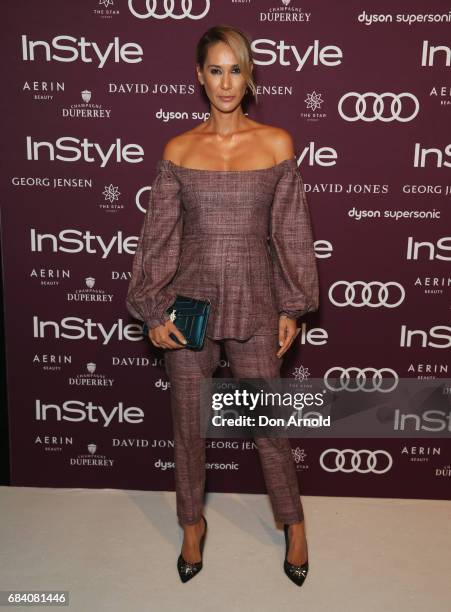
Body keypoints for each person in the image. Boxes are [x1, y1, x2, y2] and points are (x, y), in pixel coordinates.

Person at [126, 25, 319, 586]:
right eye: (215, 69)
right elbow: (159, 238)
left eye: (235, 69)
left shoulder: (277, 143)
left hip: (257, 301)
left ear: (249, 73)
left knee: (268, 427)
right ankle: (192, 525)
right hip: (189, 304)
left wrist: (293, 305)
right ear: (199, 76)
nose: (226, 81)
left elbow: (291, 235)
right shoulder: (179, 150)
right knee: (188, 425)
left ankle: (294, 522)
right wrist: (153, 311)